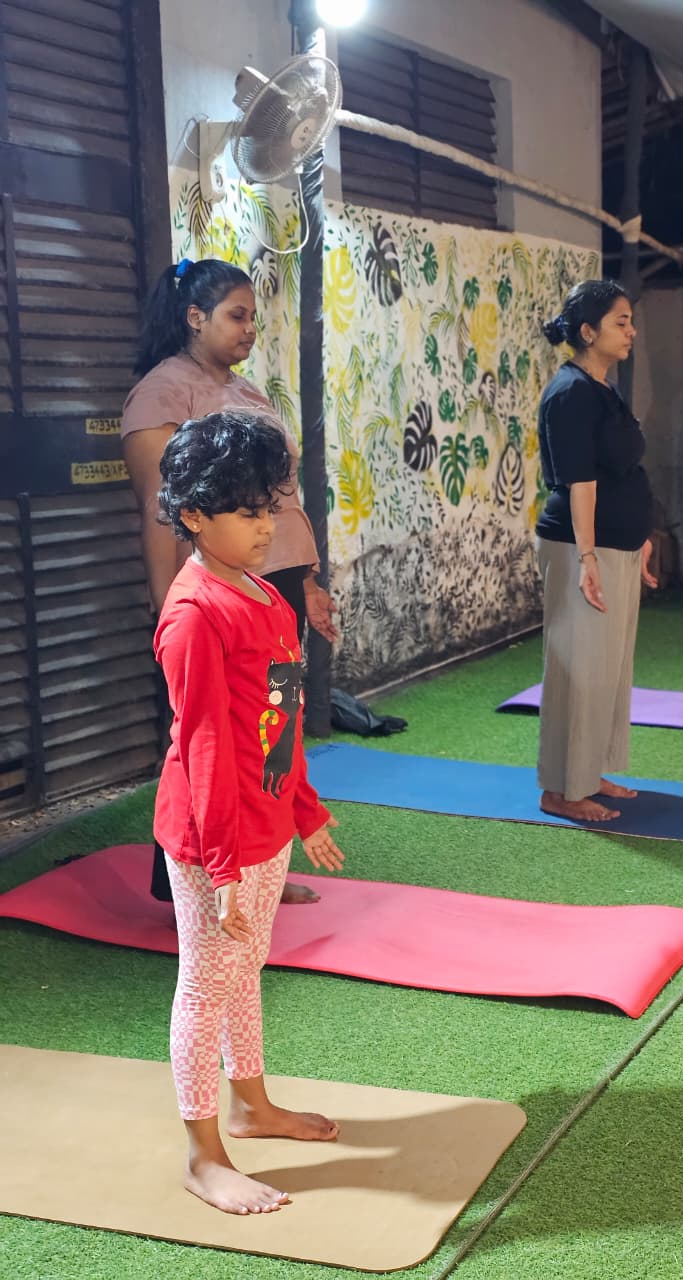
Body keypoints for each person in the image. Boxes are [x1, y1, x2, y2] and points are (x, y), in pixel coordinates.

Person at [155, 409, 344, 1215]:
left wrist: (303, 809)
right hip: (211, 838)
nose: (264, 525)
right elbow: (206, 750)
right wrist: (227, 866)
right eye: (244, 511)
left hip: (264, 824)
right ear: (195, 514)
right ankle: (203, 1156)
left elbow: (282, 718)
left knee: (244, 970)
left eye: (268, 506)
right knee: (205, 983)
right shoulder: (196, 614)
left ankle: (252, 1104)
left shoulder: (265, 597)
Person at [122, 257, 336, 904]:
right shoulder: (163, 392)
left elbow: (282, 498)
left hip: (271, 592)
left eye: (252, 317)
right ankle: (190, 880)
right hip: (219, 601)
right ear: (195, 318)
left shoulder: (248, 392)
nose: (249, 329)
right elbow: (164, 511)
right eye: (236, 316)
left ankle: (264, 860)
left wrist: (308, 582)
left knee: (272, 730)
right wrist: (170, 606)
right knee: (213, 741)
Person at [535, 280, 657, 823]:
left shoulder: (601, 388)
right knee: (578, 671)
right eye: (620, 322)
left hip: (616, 544)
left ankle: (588, 773)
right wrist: (587, 559)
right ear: (589, 332)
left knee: (608, 667)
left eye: (631, 321)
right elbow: (580, 482)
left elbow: (620, 470)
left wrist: (640, 537)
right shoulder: (570, 393)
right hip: (581, 548)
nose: (631, 331)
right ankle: (561, 789)